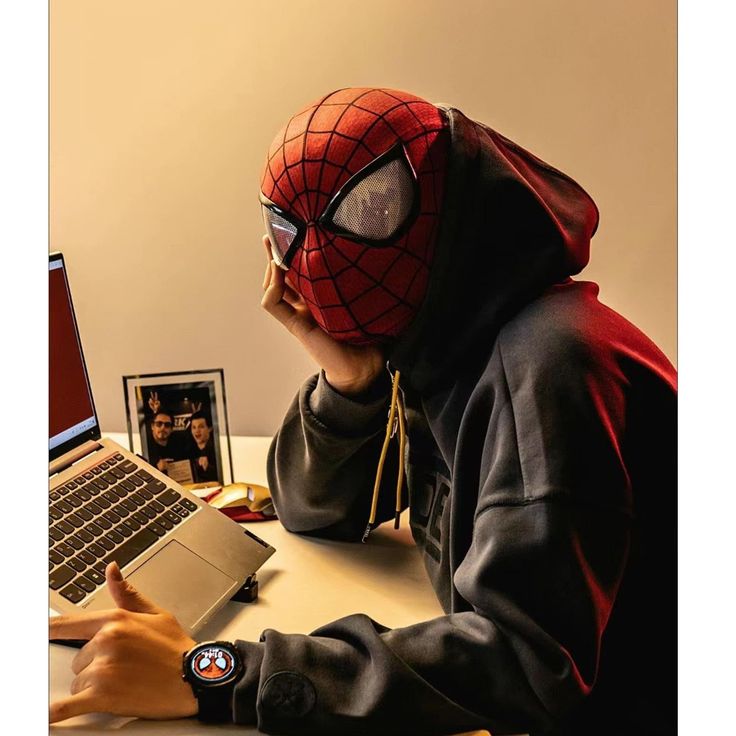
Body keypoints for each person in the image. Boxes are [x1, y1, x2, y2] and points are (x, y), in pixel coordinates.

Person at [49, 88, 676, 735]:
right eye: (293, 233)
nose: (318, 257)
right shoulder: (448, 341)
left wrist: (215, 672)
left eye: (369, 211)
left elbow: (528, 664)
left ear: (443, 200)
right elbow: (315, 511)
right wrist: (350, 382)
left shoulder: (549, 365)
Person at [187, 410, 218, 483]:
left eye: (201, 427)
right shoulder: (188, 450)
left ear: (210, 429)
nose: (197, 431)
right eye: (194, 427)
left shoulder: (218, 451)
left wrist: (208, 468)